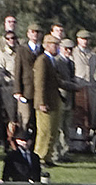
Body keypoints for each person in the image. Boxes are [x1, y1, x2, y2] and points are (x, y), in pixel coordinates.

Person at [33, 35, 62, 165]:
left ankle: (48, 156)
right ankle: (39, 157)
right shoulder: (42, 60)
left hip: (54, 101)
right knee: (44, 131)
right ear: (46, 45)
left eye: (57, 45)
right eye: (54, 45)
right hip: (45, 103)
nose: (57, 47)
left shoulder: (52, 60)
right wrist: (41, 102)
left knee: (53, 131)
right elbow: (39, 83)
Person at [13, 24, 42, 136]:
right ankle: (22, 144)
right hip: (25, 90)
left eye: (37, 32)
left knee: (37, 120)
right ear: (28, 34)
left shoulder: (43, 49)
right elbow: (17, 71)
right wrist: (17, 91)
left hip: (39, 91)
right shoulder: (21, 49)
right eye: (33, 32)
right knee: (25, 118)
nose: (35, 34)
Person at [0, 30, 18, 149]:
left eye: (13, 38)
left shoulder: (19, 53)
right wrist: (9, 80)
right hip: (7, 87)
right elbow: (1, 71)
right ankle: (6, 141)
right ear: (5, 40)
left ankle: (15, 140)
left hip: (19, 86)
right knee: (7, 115)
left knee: (17, 116)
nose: (11, 40)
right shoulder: (2, 54)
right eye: (8, 38)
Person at [73, 30, 96, 134]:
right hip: (78, 87)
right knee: (78, 115)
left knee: (91, 115)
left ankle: (88, 139)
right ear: (78, 39)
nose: (85, 41)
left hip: (91, 87)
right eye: (83, 39)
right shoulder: (73, 53)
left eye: (87, 39)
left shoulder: (93, 55)